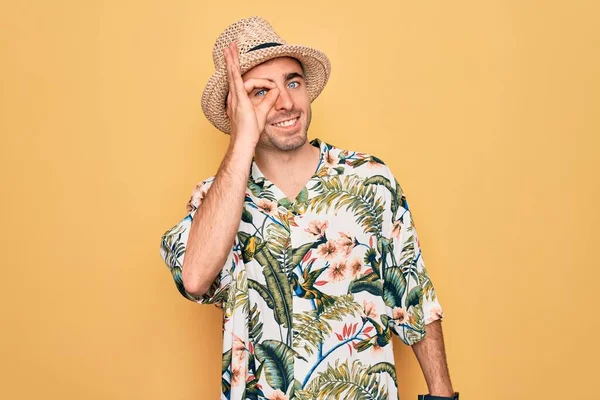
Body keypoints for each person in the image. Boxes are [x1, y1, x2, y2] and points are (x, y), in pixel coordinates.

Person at [160, 16, 458, 400]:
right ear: (235, 109)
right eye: (260, 92)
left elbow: (415, 298)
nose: (285, 102)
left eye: (293, 82)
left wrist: (443, 394)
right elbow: (196, 278)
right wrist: (242, 139)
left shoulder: (367, 178)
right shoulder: (213, 200)